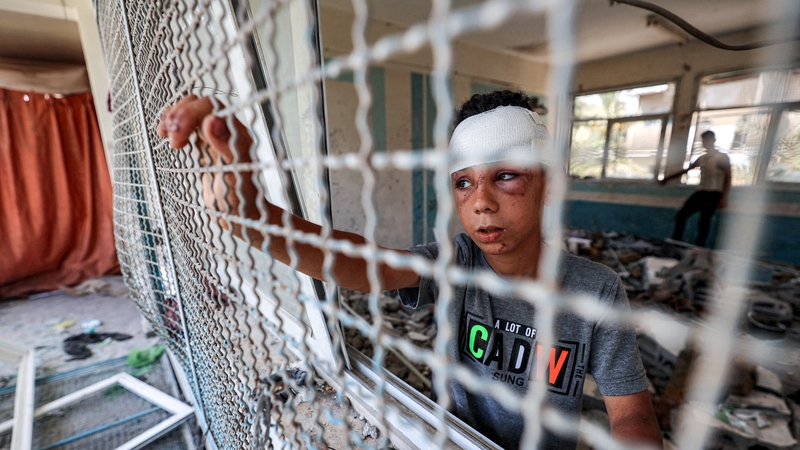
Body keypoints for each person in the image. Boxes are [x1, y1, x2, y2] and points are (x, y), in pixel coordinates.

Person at [157, 90, 662, 449]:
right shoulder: (458, 263)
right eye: (464, 183)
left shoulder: (596, 289)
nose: (481, 202)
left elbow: (631, 412)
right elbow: (363, 263)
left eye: (505, 177)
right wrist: (253, 216)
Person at [660, 130, 731, 247]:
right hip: (701, 193)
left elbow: (729, 177)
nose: (705, 143)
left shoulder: (722, 158)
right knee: (681, 215)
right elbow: (686, 170)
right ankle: (675, 243)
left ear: (713, 140)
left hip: (714, 194)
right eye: (704, 141)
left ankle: (698, 248)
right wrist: (667, 178)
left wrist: (724, 197)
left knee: (704, 221)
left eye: (708, 140)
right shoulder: (702, 158)